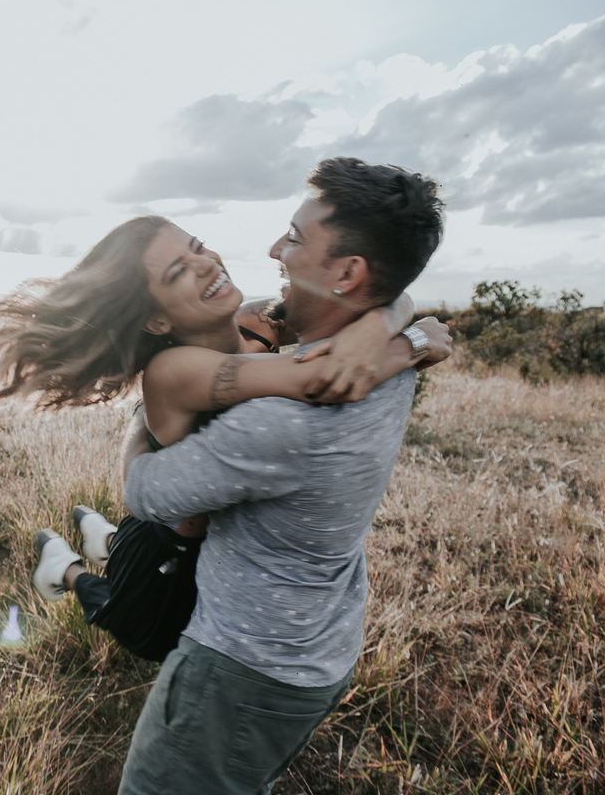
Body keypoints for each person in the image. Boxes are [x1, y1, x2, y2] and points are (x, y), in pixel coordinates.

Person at [0, 173, 449, 662]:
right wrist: (406, 340)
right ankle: (64, 567)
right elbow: (319, 377)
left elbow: (366, 294)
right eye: (177, 272)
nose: (207, 264)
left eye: (198, 246)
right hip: (169, 550)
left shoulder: (256, 321)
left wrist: (389, 314)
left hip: (220, 548)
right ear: (157, 320)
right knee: (141, 633)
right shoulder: (174, 370)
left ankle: (103, 537)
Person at [116, 157, 446, 794]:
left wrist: (142, 414)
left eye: (295, 238)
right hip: (317, 645)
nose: (274, 249)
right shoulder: (388, 361)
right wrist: (390, 324)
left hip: (240, 666)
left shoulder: (278, 425)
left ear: (349, 273)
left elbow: (145, 494)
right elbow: (415, 317)